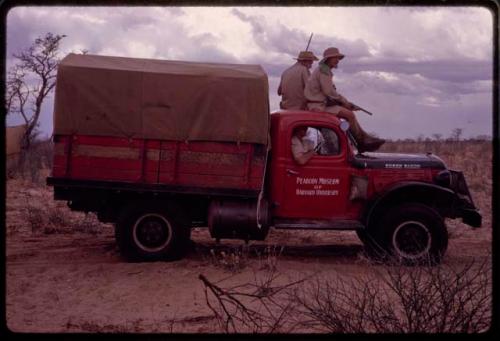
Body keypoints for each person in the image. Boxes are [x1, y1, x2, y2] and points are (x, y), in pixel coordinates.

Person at [304, 47, 385, 153]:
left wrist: (345, 103)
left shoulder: (322, 69)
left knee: (348, 113)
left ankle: (363, 139)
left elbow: (328, 93)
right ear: (328, 59)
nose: (338, 61)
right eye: (335, 58)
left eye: (338, 58)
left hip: (319, 104)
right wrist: (345, 102)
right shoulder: (324, 70)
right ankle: (361, 142)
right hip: (317, 107)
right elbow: (329, 92)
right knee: (349, 115)